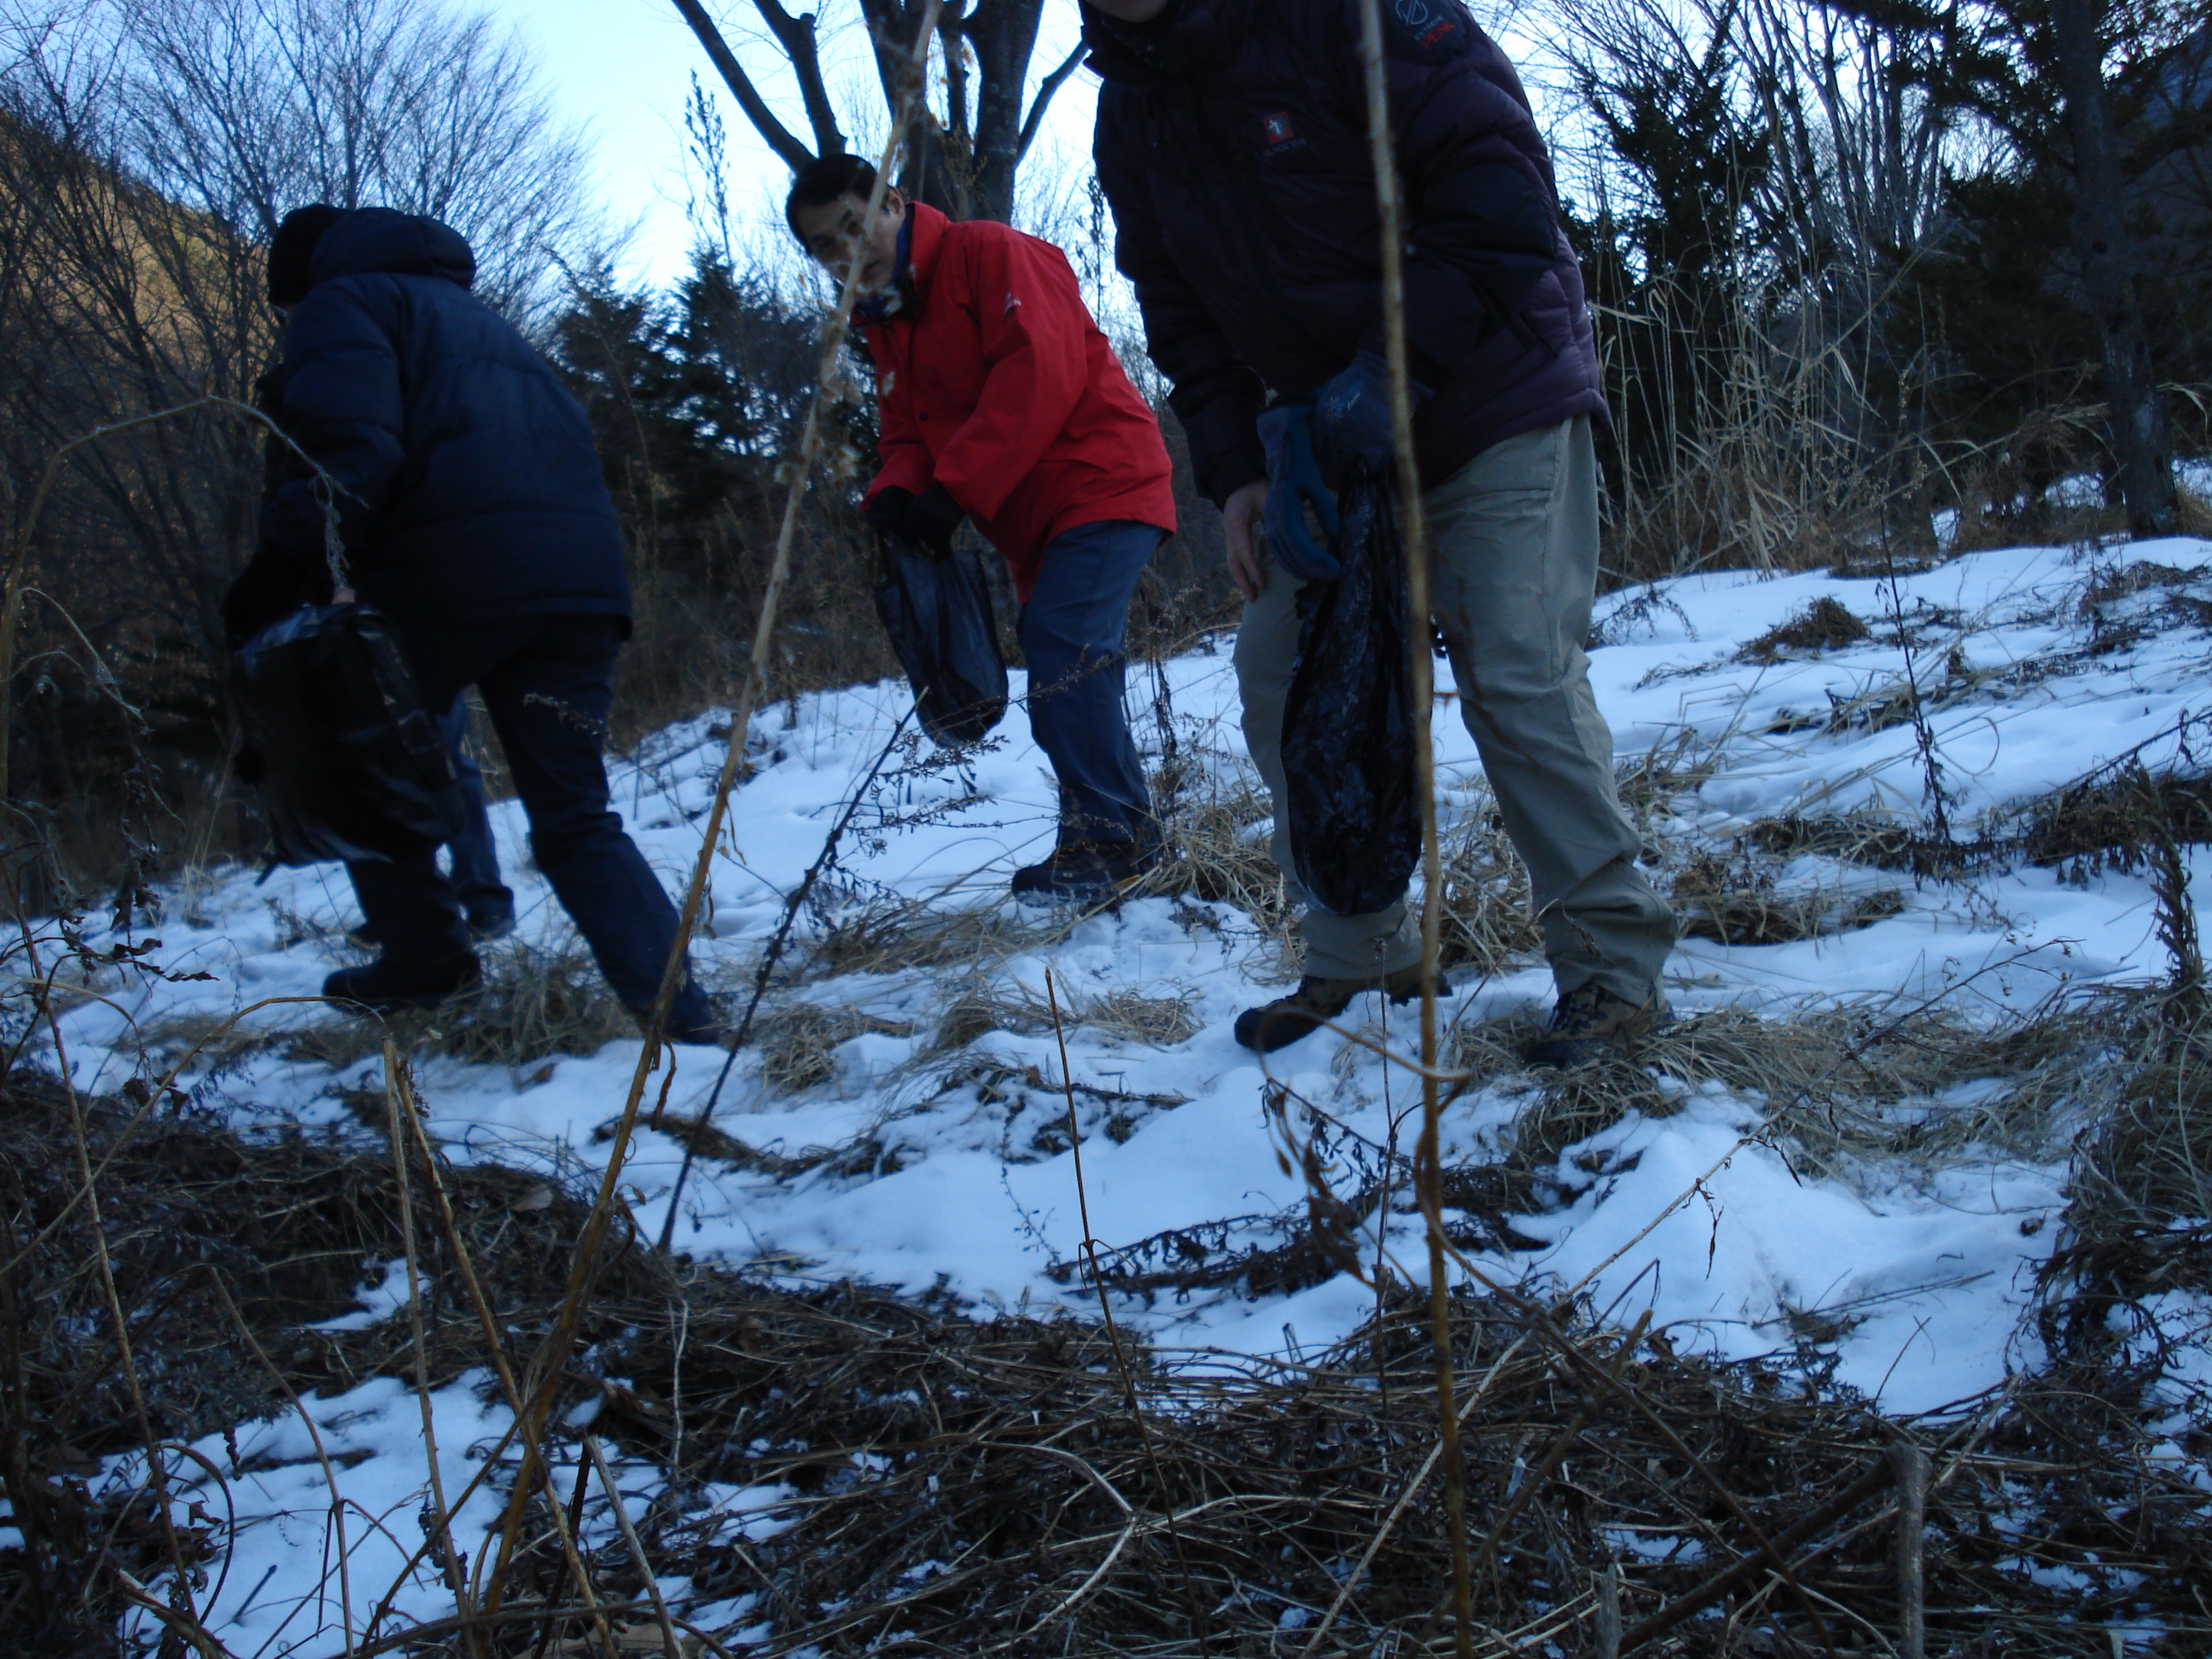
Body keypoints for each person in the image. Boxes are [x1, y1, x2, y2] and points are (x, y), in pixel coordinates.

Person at [1085, 0, 1677, 1063]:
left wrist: (1394, 367)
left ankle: (1612, 978)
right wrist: (1237, 474)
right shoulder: (1130, 109)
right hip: (1325, 441)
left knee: (1514, 670)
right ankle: (1363, 955)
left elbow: (1499, 197)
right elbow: (1175, 309)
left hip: (1493, 390)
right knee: (1285, 677)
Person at [223, 203, 719, 1040]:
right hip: (580, 586)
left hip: (451, 577)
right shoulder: (477, 322)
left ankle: (427, 963)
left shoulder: (342, 307)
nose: (288, 326)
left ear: (301, 285)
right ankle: (682, 1018)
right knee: (575, 818)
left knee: (360, 751)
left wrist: (275, 570)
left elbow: (354, 454)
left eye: (285, 311)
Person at [784, 155, 1179, 901]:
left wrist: (953, 491)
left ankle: (1115, 842)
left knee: (1065, 653)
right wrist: (896, 497)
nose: (846, 253)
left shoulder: (987, 251)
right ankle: (1109, 832)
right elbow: (904, 429)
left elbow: (1039, 374)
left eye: (852, 227)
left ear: (894, 204)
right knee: (1063, 661)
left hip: (1099, 476)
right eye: (824, 247)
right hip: (1028, 519)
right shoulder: (885, 317)